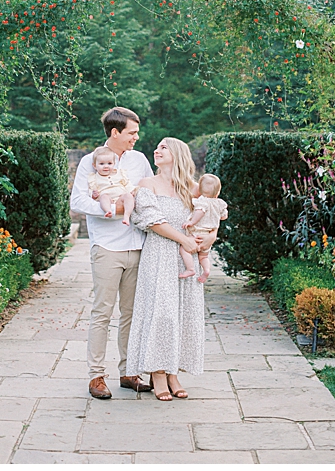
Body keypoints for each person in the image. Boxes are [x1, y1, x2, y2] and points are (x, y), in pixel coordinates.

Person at [70, 107, 154, 400]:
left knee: (132, 313)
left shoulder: (139, 160)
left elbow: (150, 194)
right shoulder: (89, 162)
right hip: (107, 247)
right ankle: (96, 375)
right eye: (131, 132)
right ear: (115, 133)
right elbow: (79, 200)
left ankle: (129, 372)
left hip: (139, 247)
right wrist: (113, 211)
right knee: (102, 312)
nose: (136, 137)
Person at [126, 137, 216, 401]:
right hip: (159, 255)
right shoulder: (148, 184)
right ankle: (157, 373)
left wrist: (210, 238)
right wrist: (184, 240)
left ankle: (173, 372)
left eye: (163, 147)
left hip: (187, 257)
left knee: (183, 313)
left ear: (177, 154)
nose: (157, 150)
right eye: (157, 147)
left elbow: (212, 216)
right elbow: (151, 221)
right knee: (161, 313)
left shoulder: (194, 188)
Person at [179, 173, 227, 282]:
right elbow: (224, 216)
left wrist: (191, 222)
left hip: (197, 233)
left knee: (184, 249)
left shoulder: (202, 201)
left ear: (200, 190)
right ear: (218, 192)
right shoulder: (220, 203)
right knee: (204, 257)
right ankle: (206, 270)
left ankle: (190, 269)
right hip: (208, 235)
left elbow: (200, 212)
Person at [87, 146, 136, 226]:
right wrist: (93, 195)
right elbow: (91, 189)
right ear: (95, 166)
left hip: (120, 198)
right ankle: (108, 211)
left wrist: (131, 190)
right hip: (108, 199)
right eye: (102, 164)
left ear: (114, 164)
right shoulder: (94, 178)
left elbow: (127, 183)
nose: (106, 166)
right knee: (103, 197)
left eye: (109, 163)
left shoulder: (120, 174)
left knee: (128, 196)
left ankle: (127, 215)